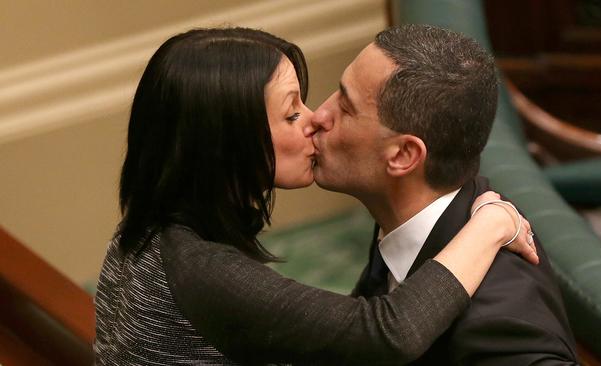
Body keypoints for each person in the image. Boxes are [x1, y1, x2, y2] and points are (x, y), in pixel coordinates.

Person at [94, 27, 537, 365]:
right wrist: (492, 224)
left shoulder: (152, 227)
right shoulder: (201, 269)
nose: (316, 118)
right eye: (291, 113)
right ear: (226, 143)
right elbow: (388, 335)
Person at [310, 24, 578, 365]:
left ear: (403, 156)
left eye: (345, 108)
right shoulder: (409, 217)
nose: (318, 115)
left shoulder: (498, 323)